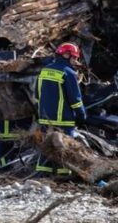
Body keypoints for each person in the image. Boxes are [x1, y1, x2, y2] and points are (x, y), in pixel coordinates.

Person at [35, 42, 86, 174]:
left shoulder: (44, 70)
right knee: (64, 148)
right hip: (63, 119)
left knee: (46, 146)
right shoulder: (68, 73)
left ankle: (42, 175)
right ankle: (63, 175)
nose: (75, 61)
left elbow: (36, 94)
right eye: (74, 57)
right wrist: (82, 115)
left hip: (45, 118)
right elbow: (75, 100)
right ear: (66, 55)